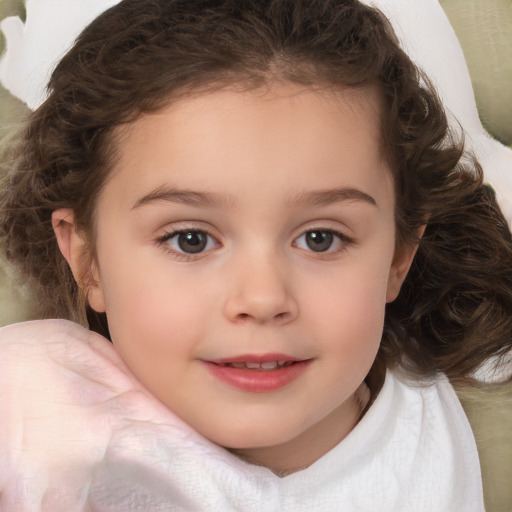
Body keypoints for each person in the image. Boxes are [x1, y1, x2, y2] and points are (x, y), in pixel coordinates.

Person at [0, 0, 511, 510]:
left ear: (398, 257)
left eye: (320, 239)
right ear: (87, 258)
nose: (263, 299)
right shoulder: (29, 413)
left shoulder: (470, 430)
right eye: (190, 239)